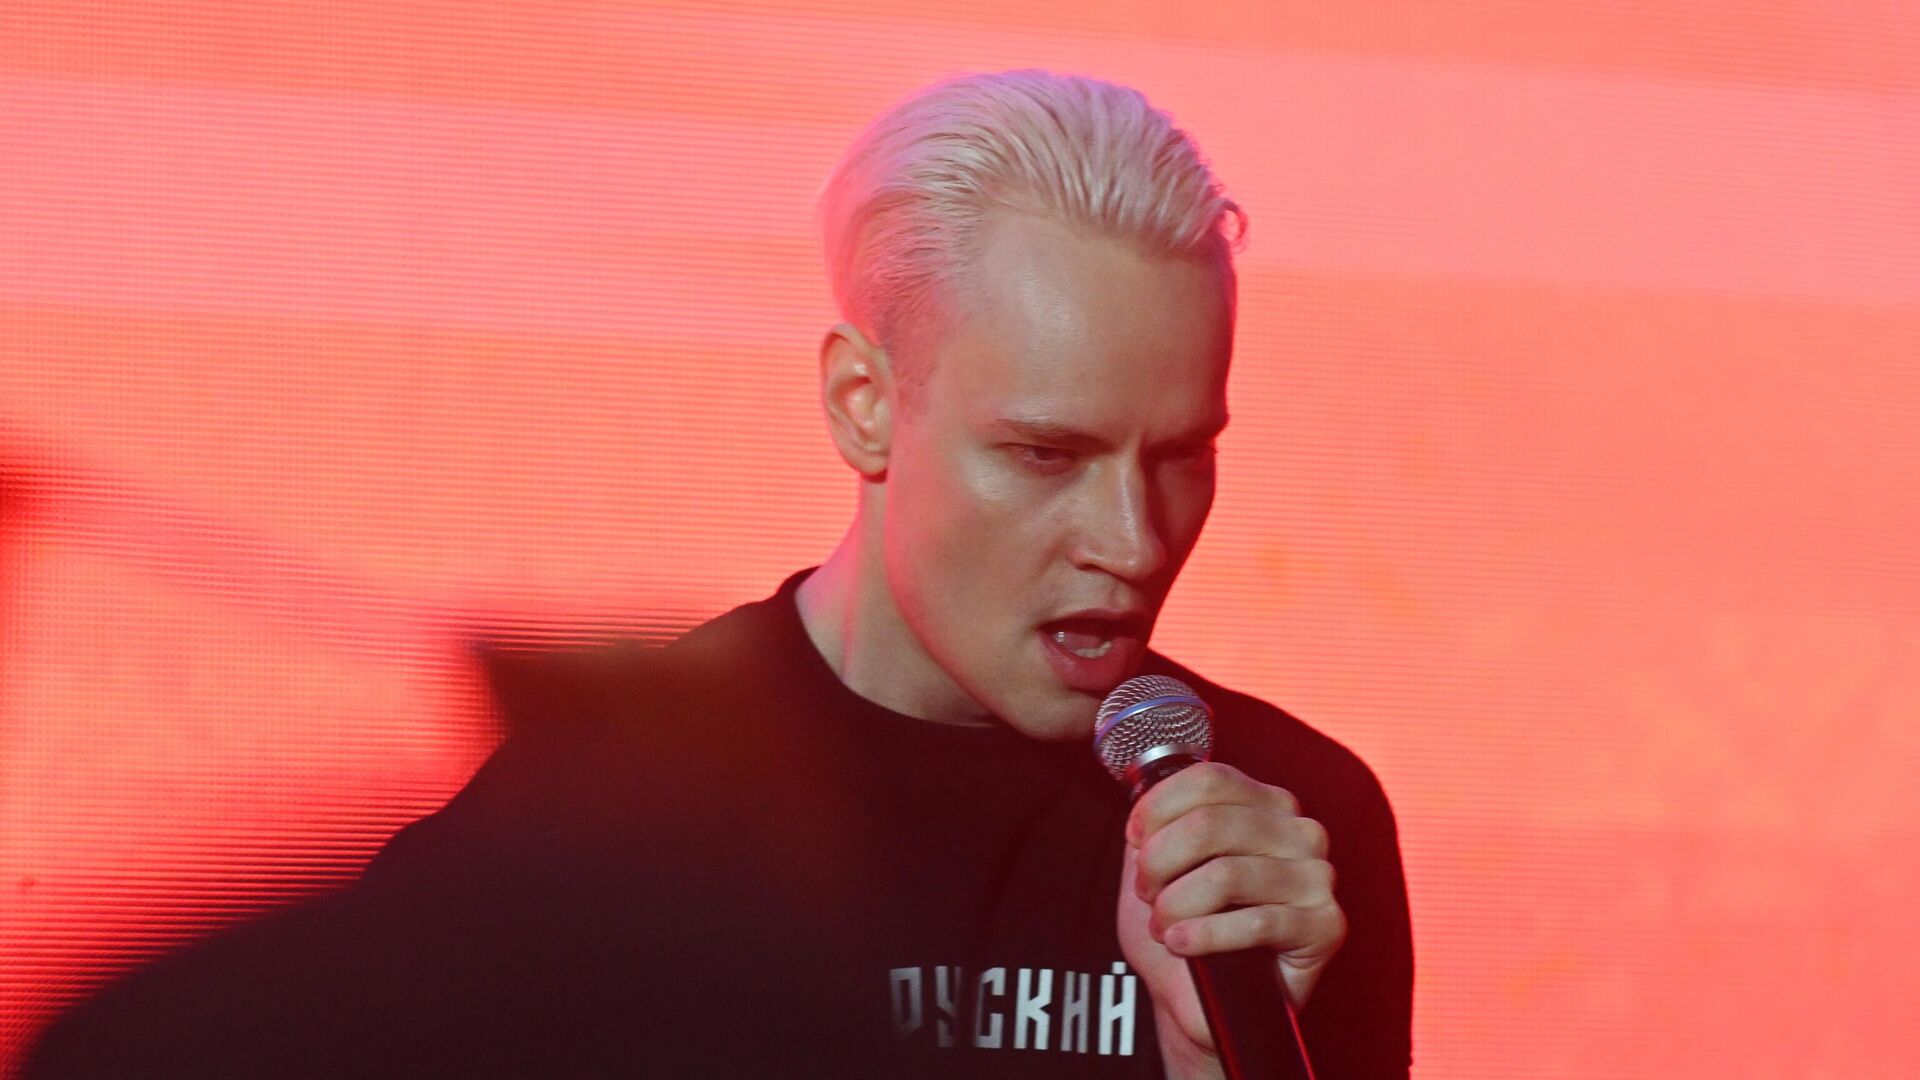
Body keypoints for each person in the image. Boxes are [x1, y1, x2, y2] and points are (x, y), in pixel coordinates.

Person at [23, 70, 1411, 1078]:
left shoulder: (1288, 836)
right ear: (865, 405)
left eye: (1181, 455)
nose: (1135, 538)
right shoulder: (603, 808)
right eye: (1047, 454)